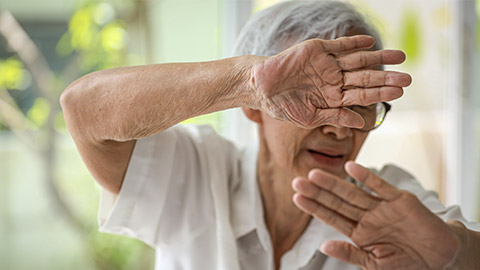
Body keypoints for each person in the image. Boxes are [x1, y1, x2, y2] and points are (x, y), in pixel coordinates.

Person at [60, 1, 480, 269]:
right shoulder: (196, 171)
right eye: (314, 102)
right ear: (254, 106)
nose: (338, 127)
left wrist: (455, 256)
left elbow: (455, 245)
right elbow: (82, 110)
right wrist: (244, 79)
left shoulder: (388, 205)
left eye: (359, 104)